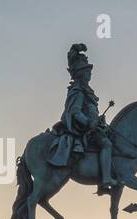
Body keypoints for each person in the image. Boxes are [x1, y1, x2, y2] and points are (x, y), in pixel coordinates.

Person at [49, 43, 116, 193]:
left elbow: (89, 111)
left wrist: (98, 120)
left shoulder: (86, 91)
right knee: (106, 144)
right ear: (81, 74)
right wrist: (89, 123)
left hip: (93, 126)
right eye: (87, 71)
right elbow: (75, 111)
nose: (90, 74)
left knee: (112, 139)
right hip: (83, 128)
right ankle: (105, 180)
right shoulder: (78, 90)